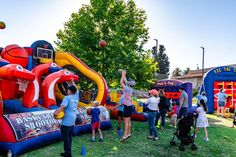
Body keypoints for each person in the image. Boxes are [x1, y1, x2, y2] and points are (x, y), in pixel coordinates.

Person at [54, 80, 79, 157]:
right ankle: (67, 152)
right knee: (69, 136)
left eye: (68, 89)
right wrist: (72, 82)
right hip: (72, 119)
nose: (66, 90)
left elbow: (63, 107)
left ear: (70, 91)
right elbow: (76, 89)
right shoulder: (76, 96)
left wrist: (56, 113)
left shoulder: (67, 97)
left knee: (66, 137)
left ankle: (68, 154)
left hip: (67, 120)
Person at [118, 69, 134, 142]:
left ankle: (125, 135)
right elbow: (125, 80)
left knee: (126, 121)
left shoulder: (127, 89)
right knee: (129, 121)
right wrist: (123, 73)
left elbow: (121, 82)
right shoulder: (130, 88)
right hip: (130, 106)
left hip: (127, 107)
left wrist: (122, 74)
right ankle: (129, 133)